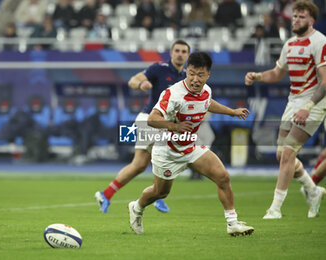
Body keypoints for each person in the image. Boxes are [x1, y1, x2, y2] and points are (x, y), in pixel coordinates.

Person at [128, 52, 254, 236]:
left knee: (223, 177)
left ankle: (232, 224)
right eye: (192, 73)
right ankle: (137, 208)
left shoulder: (206, 90)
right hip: (167, 151)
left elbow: (207, 103)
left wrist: (232, 112)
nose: (195, 79)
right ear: (187, 71)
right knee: (160, 192)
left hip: (190, 147)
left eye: (200, 75)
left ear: (208, 75)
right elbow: (152, 119)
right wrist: (175, 126)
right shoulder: (172, 93)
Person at [245, 0, 326, 219]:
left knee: (289, 153)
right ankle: (313, 189)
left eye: (301, 16)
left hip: (314, 104)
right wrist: (258, 76)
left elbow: (325, 81)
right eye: (295, 16)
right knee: (282, 154)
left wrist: (309, 107)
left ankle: (275, 208)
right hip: (293, 103)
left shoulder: (320, 42)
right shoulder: (289, 43)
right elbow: (277, 73)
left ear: (311, 20)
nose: (296, 19)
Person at [95, 40, 191, 213]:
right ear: (171, 53)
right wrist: (141, 84)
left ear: (188, 55)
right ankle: (158, 195)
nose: (180, 54)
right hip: (149, 119)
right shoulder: (159, 68)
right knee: (168, 154)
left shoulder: (186, 77)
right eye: (177, 50)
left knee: (139, 165)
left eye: (184, 51)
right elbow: (134, 80)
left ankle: (106, 193)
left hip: (166, 124)